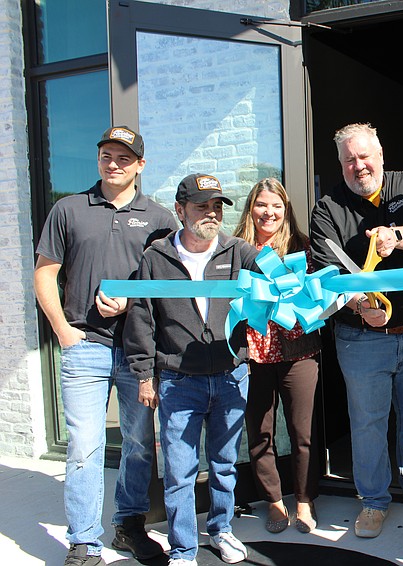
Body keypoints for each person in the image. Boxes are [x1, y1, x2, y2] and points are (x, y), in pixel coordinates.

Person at [34, 126, 175, 566]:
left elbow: (170, 282)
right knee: (85, 446)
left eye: (123, 157)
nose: (112, 163)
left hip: (138, 350)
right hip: (85, 346)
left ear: (140, 165)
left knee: (137, 443)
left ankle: (128, 526)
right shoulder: (68, 209)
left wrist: (132, 301)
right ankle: (83, 540)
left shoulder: (159, 217)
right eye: (105, 155)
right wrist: (62, 329)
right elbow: (45, 273)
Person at [310, 123, 403, 539]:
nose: (358, 165)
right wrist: (360, 305)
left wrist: (396, 236)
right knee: (368, 422)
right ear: (341, 164)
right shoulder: (327, 208)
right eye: (349, 159)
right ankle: (372, 500)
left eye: (364, 156)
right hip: (361, 339)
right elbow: (324, 272)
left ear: (380, 154)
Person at [124, 174, 259, 566]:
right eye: (202, 207)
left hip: (232, 376)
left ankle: (221, 530)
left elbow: (277, 283)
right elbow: (141, 319)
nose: (212, 214)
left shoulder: (239, 252)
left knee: (224, 464)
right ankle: (183, 549)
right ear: (180, 211)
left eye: (217, 207)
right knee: (180, 472)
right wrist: (145, 374)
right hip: (179, 382)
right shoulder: (156, 258)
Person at [232, 178, 322, 534]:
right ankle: (273, 500)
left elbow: (319, 296)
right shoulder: (235, 249)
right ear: (250, 208)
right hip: (253, 356)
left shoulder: (303, 247)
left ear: (286, 211)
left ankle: (304, 498)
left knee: (304, 432)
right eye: (261, 204)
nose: (268, 212)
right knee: (260, 433)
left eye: (276, 206)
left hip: (299, 353)